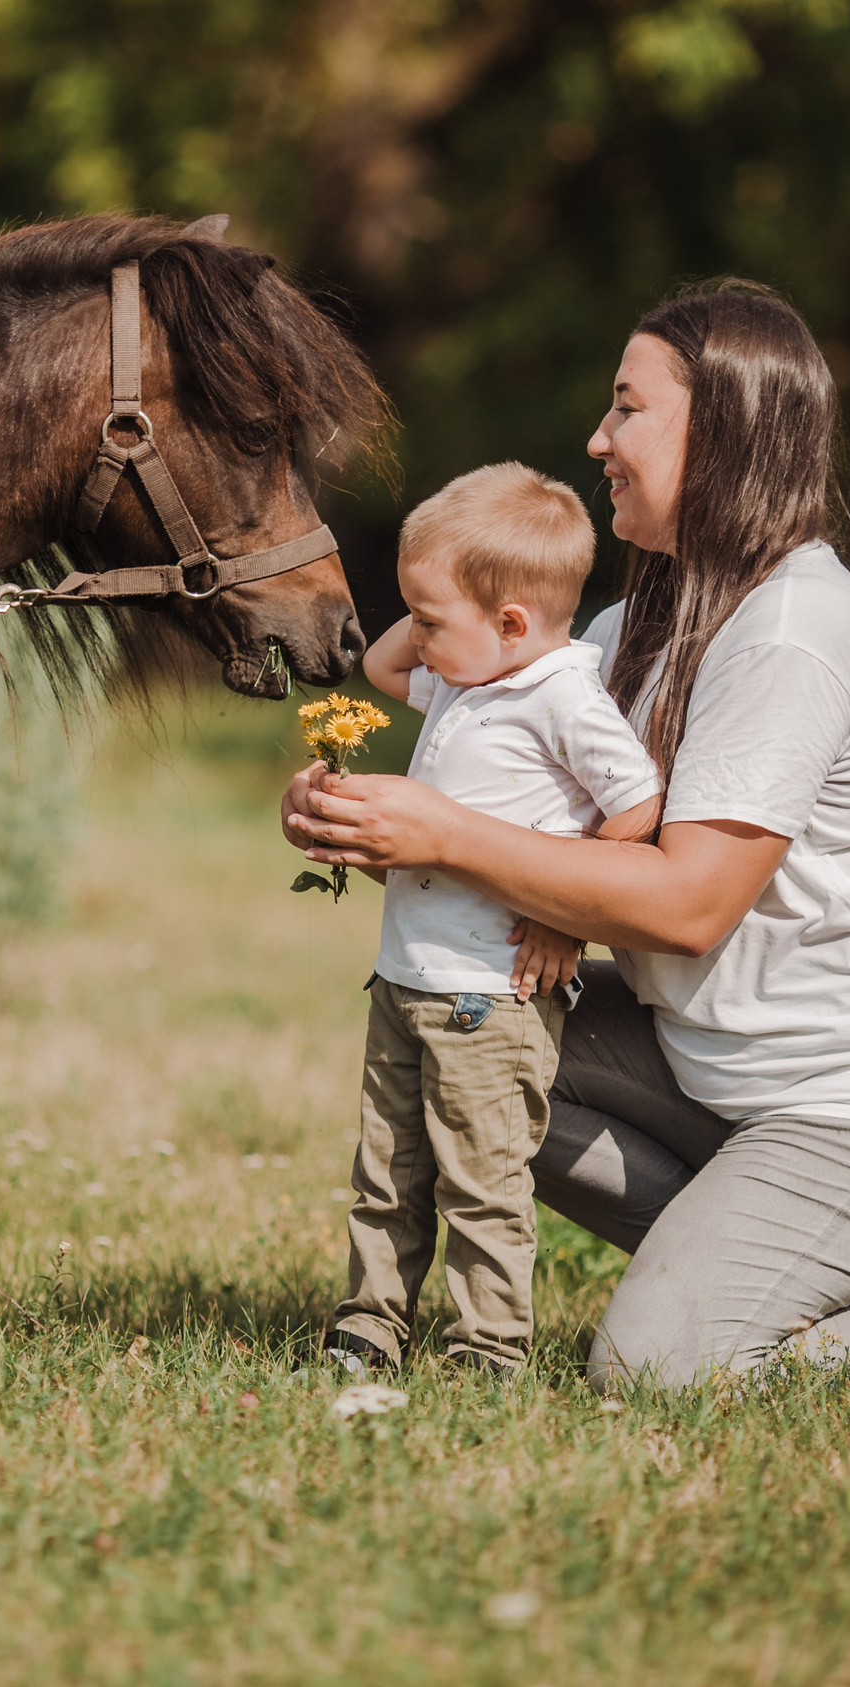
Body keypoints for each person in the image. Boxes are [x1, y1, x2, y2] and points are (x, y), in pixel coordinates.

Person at [285, 283, 850, 1389]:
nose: (597, 440)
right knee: (461, 1045)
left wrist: (447, 835)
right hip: (726, 1071)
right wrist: (358, 814)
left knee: (658, 1371)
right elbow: (490, 750)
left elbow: (689, 905)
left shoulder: (791, 633)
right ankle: (745, 1270)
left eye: (628, 410)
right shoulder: (625, 627)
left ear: (728, 434)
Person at [323, 463, 664, 1378]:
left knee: (482, 1180)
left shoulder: (560, 694)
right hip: (406, 977)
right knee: (388, 1169)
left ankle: (490, 1346)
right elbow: (381, 662)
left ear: (512, 624)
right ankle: (371, 1321)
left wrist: (569, 909)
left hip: (489, 993)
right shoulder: (470, 679)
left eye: (431, 621)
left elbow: (638, 807)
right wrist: (433, 592)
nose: (418, 641)